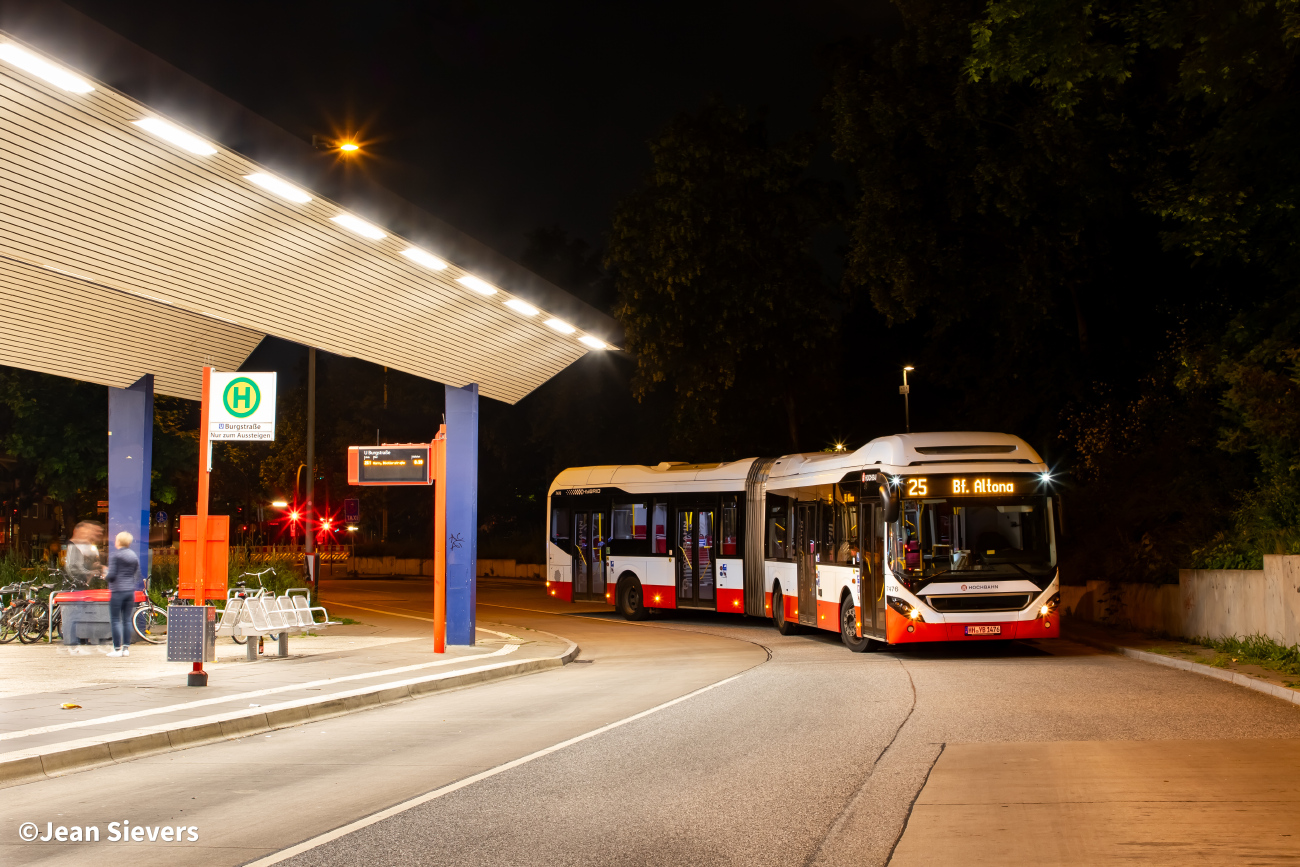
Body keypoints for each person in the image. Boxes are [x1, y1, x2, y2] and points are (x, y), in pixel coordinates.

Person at [104, 531, 139, 658]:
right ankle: (126, 649)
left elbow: (111, 575)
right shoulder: (133, 555)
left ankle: (117, 648)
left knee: (115, 620)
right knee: (126, 620)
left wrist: (105, 576)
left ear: (118, 541)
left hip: (117, 591)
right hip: (130, 591)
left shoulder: (116, 556)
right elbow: (136, 573)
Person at [65, 521, 103, 587]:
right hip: (77, 586)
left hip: (83, 585)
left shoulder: (87, 547)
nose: (87, 534)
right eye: (85, 532)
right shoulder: (73, 546)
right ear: (77, 532)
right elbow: (73, 569)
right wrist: (91, 573)